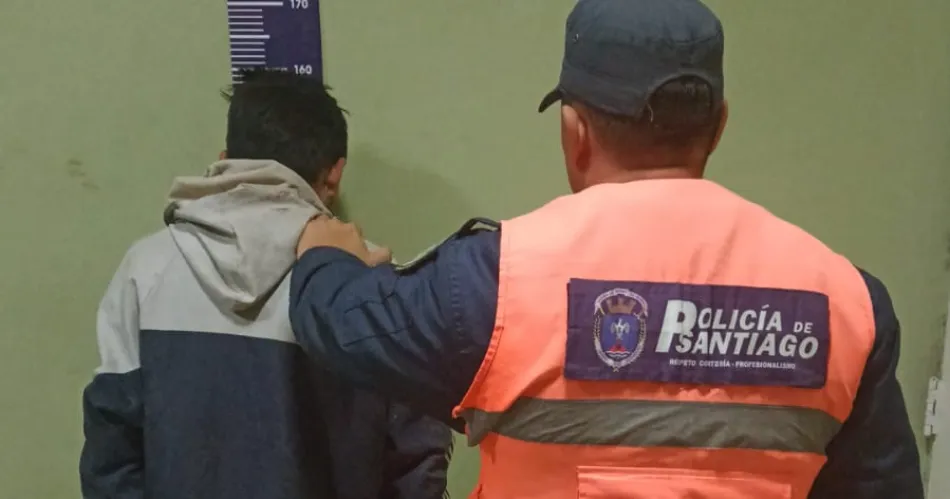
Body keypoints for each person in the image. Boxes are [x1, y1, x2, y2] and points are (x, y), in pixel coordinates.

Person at [287, 0, 926, 497]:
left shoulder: (500, 283)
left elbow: (343, 323)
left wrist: (323, 252)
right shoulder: (849, 305)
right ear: (718, 127)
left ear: (576, 132)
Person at [79, 69, 452, 499]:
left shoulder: (145, 269)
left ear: (226, 158)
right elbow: (415, 462)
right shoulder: (369, 278)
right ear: (334, 174)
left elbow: (111, 456)